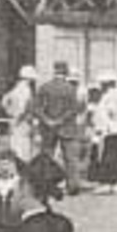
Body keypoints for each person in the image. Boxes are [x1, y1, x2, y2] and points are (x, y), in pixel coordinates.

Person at [35, 62, 87, 196]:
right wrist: (60, 120)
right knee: (71, 159)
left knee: (47, 156)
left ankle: (44, 184)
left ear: (54, 71)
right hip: (67, 128)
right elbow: (73, 109)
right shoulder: (71, 89)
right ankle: (73, 186)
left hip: (48, 128)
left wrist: (47, 120)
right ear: (66, 72)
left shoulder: (44, 87)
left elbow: (37, 108)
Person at [93, 70, 117, 194]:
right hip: (113, 130)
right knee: (113, 158)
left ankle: (107, 183)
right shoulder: (114, 94)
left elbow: (111, 111)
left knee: (109, 158)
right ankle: (113, 183)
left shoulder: (111, 95)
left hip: (112, 130)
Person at [2, 66, 39, 163]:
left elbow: (5, 101)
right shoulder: (26, 90)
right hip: (22, 122)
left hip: (14, 120)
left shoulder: (15, 89)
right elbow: (23, 109)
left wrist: (9, 112)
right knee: (23, 148)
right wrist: (19, 119)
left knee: (15, 145)